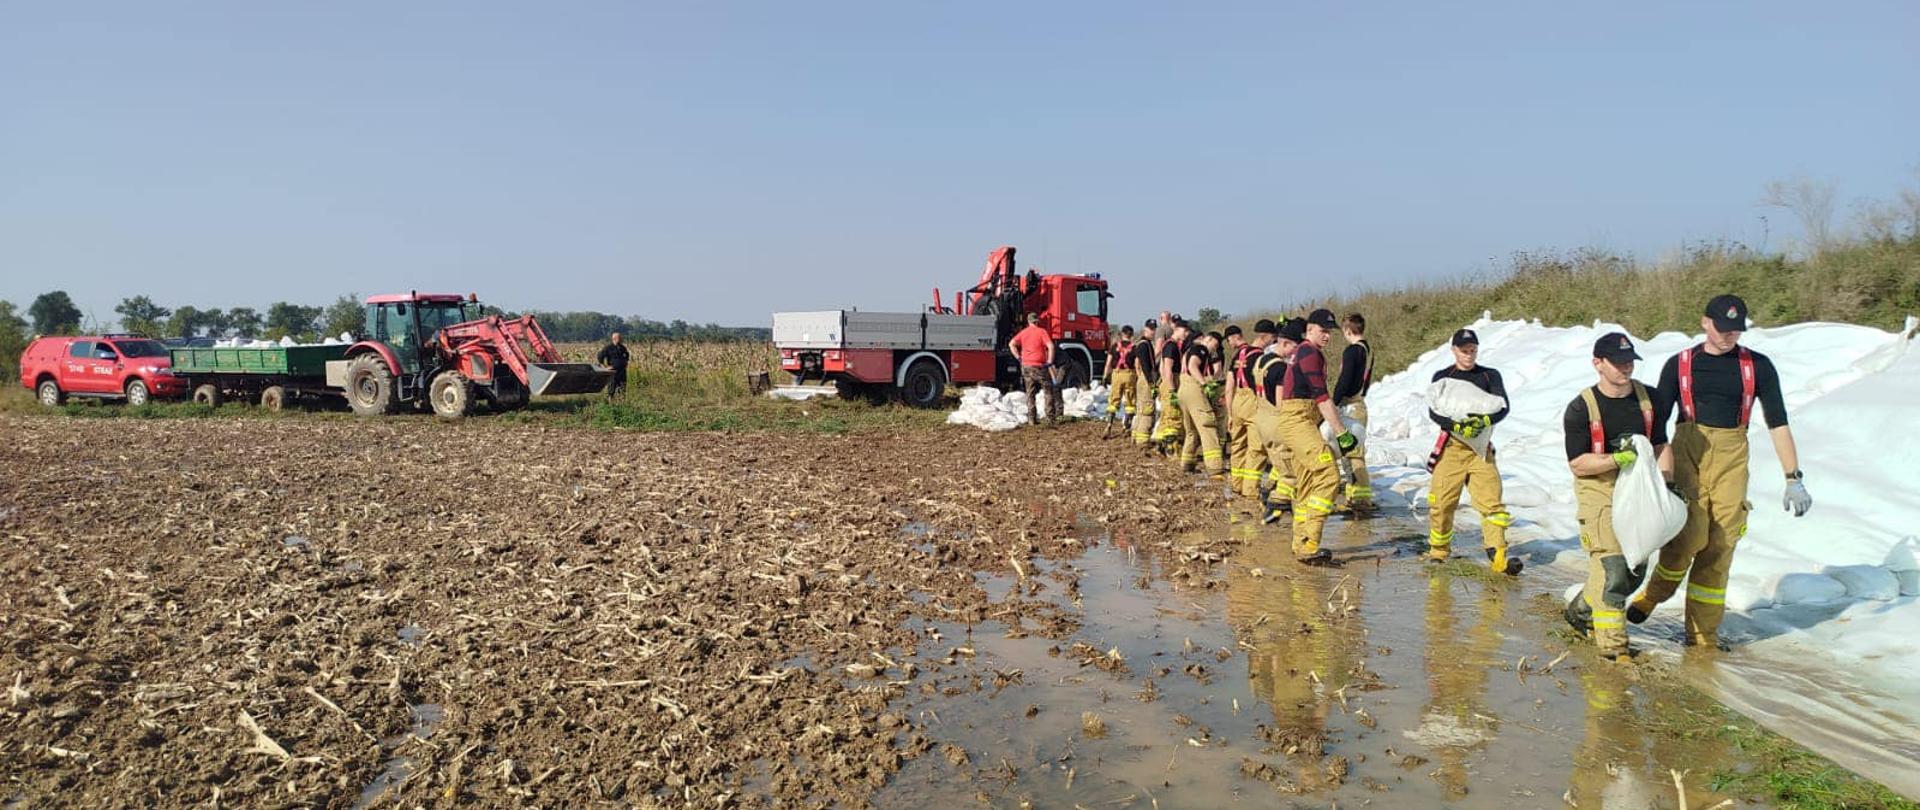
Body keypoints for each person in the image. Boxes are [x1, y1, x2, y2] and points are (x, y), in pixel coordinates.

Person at [1629, 294, 1809, 649]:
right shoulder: (1679, 365)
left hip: (1732, 458)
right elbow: (1657, 426)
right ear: (1704, 322)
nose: (1729, 336)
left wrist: (1793, 478)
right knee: (1688, 538)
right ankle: (1653, 595)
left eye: (1736, 331)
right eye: (1723, 329)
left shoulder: (1758, 367)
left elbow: (1778, 423)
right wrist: (1650, 470)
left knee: (1721, 545)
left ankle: (1702, 636)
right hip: (1687, 455)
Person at [1562, 333, 1670, 661]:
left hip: (1640, 485)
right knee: (1614, 567)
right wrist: (1614, 460)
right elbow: (1578, 463)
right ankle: (1614, 648)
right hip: (1599, 486)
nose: (1626, 368)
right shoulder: (1581, 408)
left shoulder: (1649, 399)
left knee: (1636, 565)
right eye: (1618, 362)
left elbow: (1661, 444)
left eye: (1629, 362)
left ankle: (1581, 609)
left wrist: (1666, 483)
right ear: (1598, 364)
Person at [1425, 328, 1521, 575]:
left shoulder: (1489, 376)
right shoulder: (1443, 376)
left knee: (1492, 502)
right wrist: (1453, 425)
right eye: (1464, 351)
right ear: (1454, 350)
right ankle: (1439, 549)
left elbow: (1503, 407)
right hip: (1452, 448)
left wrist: (1485, 421)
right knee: (1442, 503)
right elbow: (1434, 410)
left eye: (1473, 351)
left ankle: (1497, 553)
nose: (1469, 355)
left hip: (1480, 451)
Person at [1276, 309, 1359, 564]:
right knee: (1328, 475)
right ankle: (1310, 543)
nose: (1327, 336)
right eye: (1322, 330)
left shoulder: (1303, 351)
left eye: (1329, 332)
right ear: (1310, 329)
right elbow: (1321, 396)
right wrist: (1342, 433)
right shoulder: (1309, 352)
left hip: (1300, 419)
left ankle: (1299, 542)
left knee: (1307, 483)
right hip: (1299, 420)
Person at [1253, 318, 1303, 522]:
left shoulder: (1260, 361)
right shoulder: (1281, 369)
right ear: (1283, 343)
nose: (1294, 353)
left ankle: (1273, 497)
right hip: (1275, 421)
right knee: (1291, 469)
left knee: (1278, 464)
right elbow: (1282, 402)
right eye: (1293, 348)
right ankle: (1275, 503)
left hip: (1261, 419)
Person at [1226, 321, 1276, 500]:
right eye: (1273, 337)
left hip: (1237, 401)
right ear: (1266, 336)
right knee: (1256, 448)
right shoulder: (1260, 357)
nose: (1274, 340)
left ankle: (1236, 485)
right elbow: (1260, 386)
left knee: (1238, 445)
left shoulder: (1238, 355)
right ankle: (1250, 489)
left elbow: (1229, 386)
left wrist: (1230, 413)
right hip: (1253, 402)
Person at [1332, 313, 1376, 515]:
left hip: (1351, 406)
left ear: (1347, 331)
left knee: (1352, 453)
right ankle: (1354, 495)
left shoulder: (1352, 351)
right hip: (1360, 403)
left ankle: (1361, 499)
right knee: (1353, 452)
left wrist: (1333, 401)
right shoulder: (1368, 349)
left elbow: (1345, 379)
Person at [1177, 330, 1227, 477]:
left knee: (1191, 430)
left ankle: (1187, 462)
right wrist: (1204, 383)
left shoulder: (1188, 350)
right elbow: (1193, 366)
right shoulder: (1201, 349)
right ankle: (1215, 466)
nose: (1214, 349)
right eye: (1215, 345)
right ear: (1208, 339)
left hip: (1183, 388)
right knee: (1207, 424)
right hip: (1193, 388)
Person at [1009, 314, 1060, 425]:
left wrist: (1018, 357)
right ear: (1037, 321)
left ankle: (1031, 418)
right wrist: (1050, 361)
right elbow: (1050, 346)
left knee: (1030, 392)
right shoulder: (1042, 332)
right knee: (1047, 390)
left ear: (1028, 322)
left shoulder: (1023, 333)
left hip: (1026, 366)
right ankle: (1050, 418)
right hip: (1039, 366)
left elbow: (1011, 344)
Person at [1152, 317, 1190, 449]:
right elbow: (1167, 369)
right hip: (1171, 383)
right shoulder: (1170, 346)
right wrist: (1173, 390)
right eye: (1185, 331)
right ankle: (1171, 450)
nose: (1187, 334)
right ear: (1177, 330)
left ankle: (1159, 447)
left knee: (1166, 416)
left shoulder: (1172, 346)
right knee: (1172, 416)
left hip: (1170, 381)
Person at [1129, 320, 1160, 446]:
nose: (1153, 332)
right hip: (1146, 379)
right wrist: (1152, 383)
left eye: (1154, 329)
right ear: (1145, 329)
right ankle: (1143, 440)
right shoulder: (1144, 345)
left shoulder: (1141, 344)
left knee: (1141, 409)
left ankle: (1135, 434)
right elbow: (1146, 366)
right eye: (1150, 329)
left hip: (1142, 378)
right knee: (1147, 409)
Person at [1103, 325, 1139, 426]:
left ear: (1122, 334)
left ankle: (1109, 424)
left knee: (1114, 399)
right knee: (1130, 401)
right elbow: (1137, 365)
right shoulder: (1134, 348)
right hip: (1129, 375)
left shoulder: (1114, 346)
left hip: (1117, 374)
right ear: (1131, 335)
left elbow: (1108, 363)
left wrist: (1105, 377)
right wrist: (1139, 377)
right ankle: (1127, 425)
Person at [596, 331, 631, 398]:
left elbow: (627, 355)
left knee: (622, 388)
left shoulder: (622, 348)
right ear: (614, 338)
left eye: (621, 338)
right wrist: (604, 367)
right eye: (619, 338)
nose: (621, 339)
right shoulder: (608, 348)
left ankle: (621, 403)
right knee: (611, 388)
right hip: (613, 372)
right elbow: (600, 356)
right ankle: (610, 403)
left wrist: (625, 362)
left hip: (622, 371)